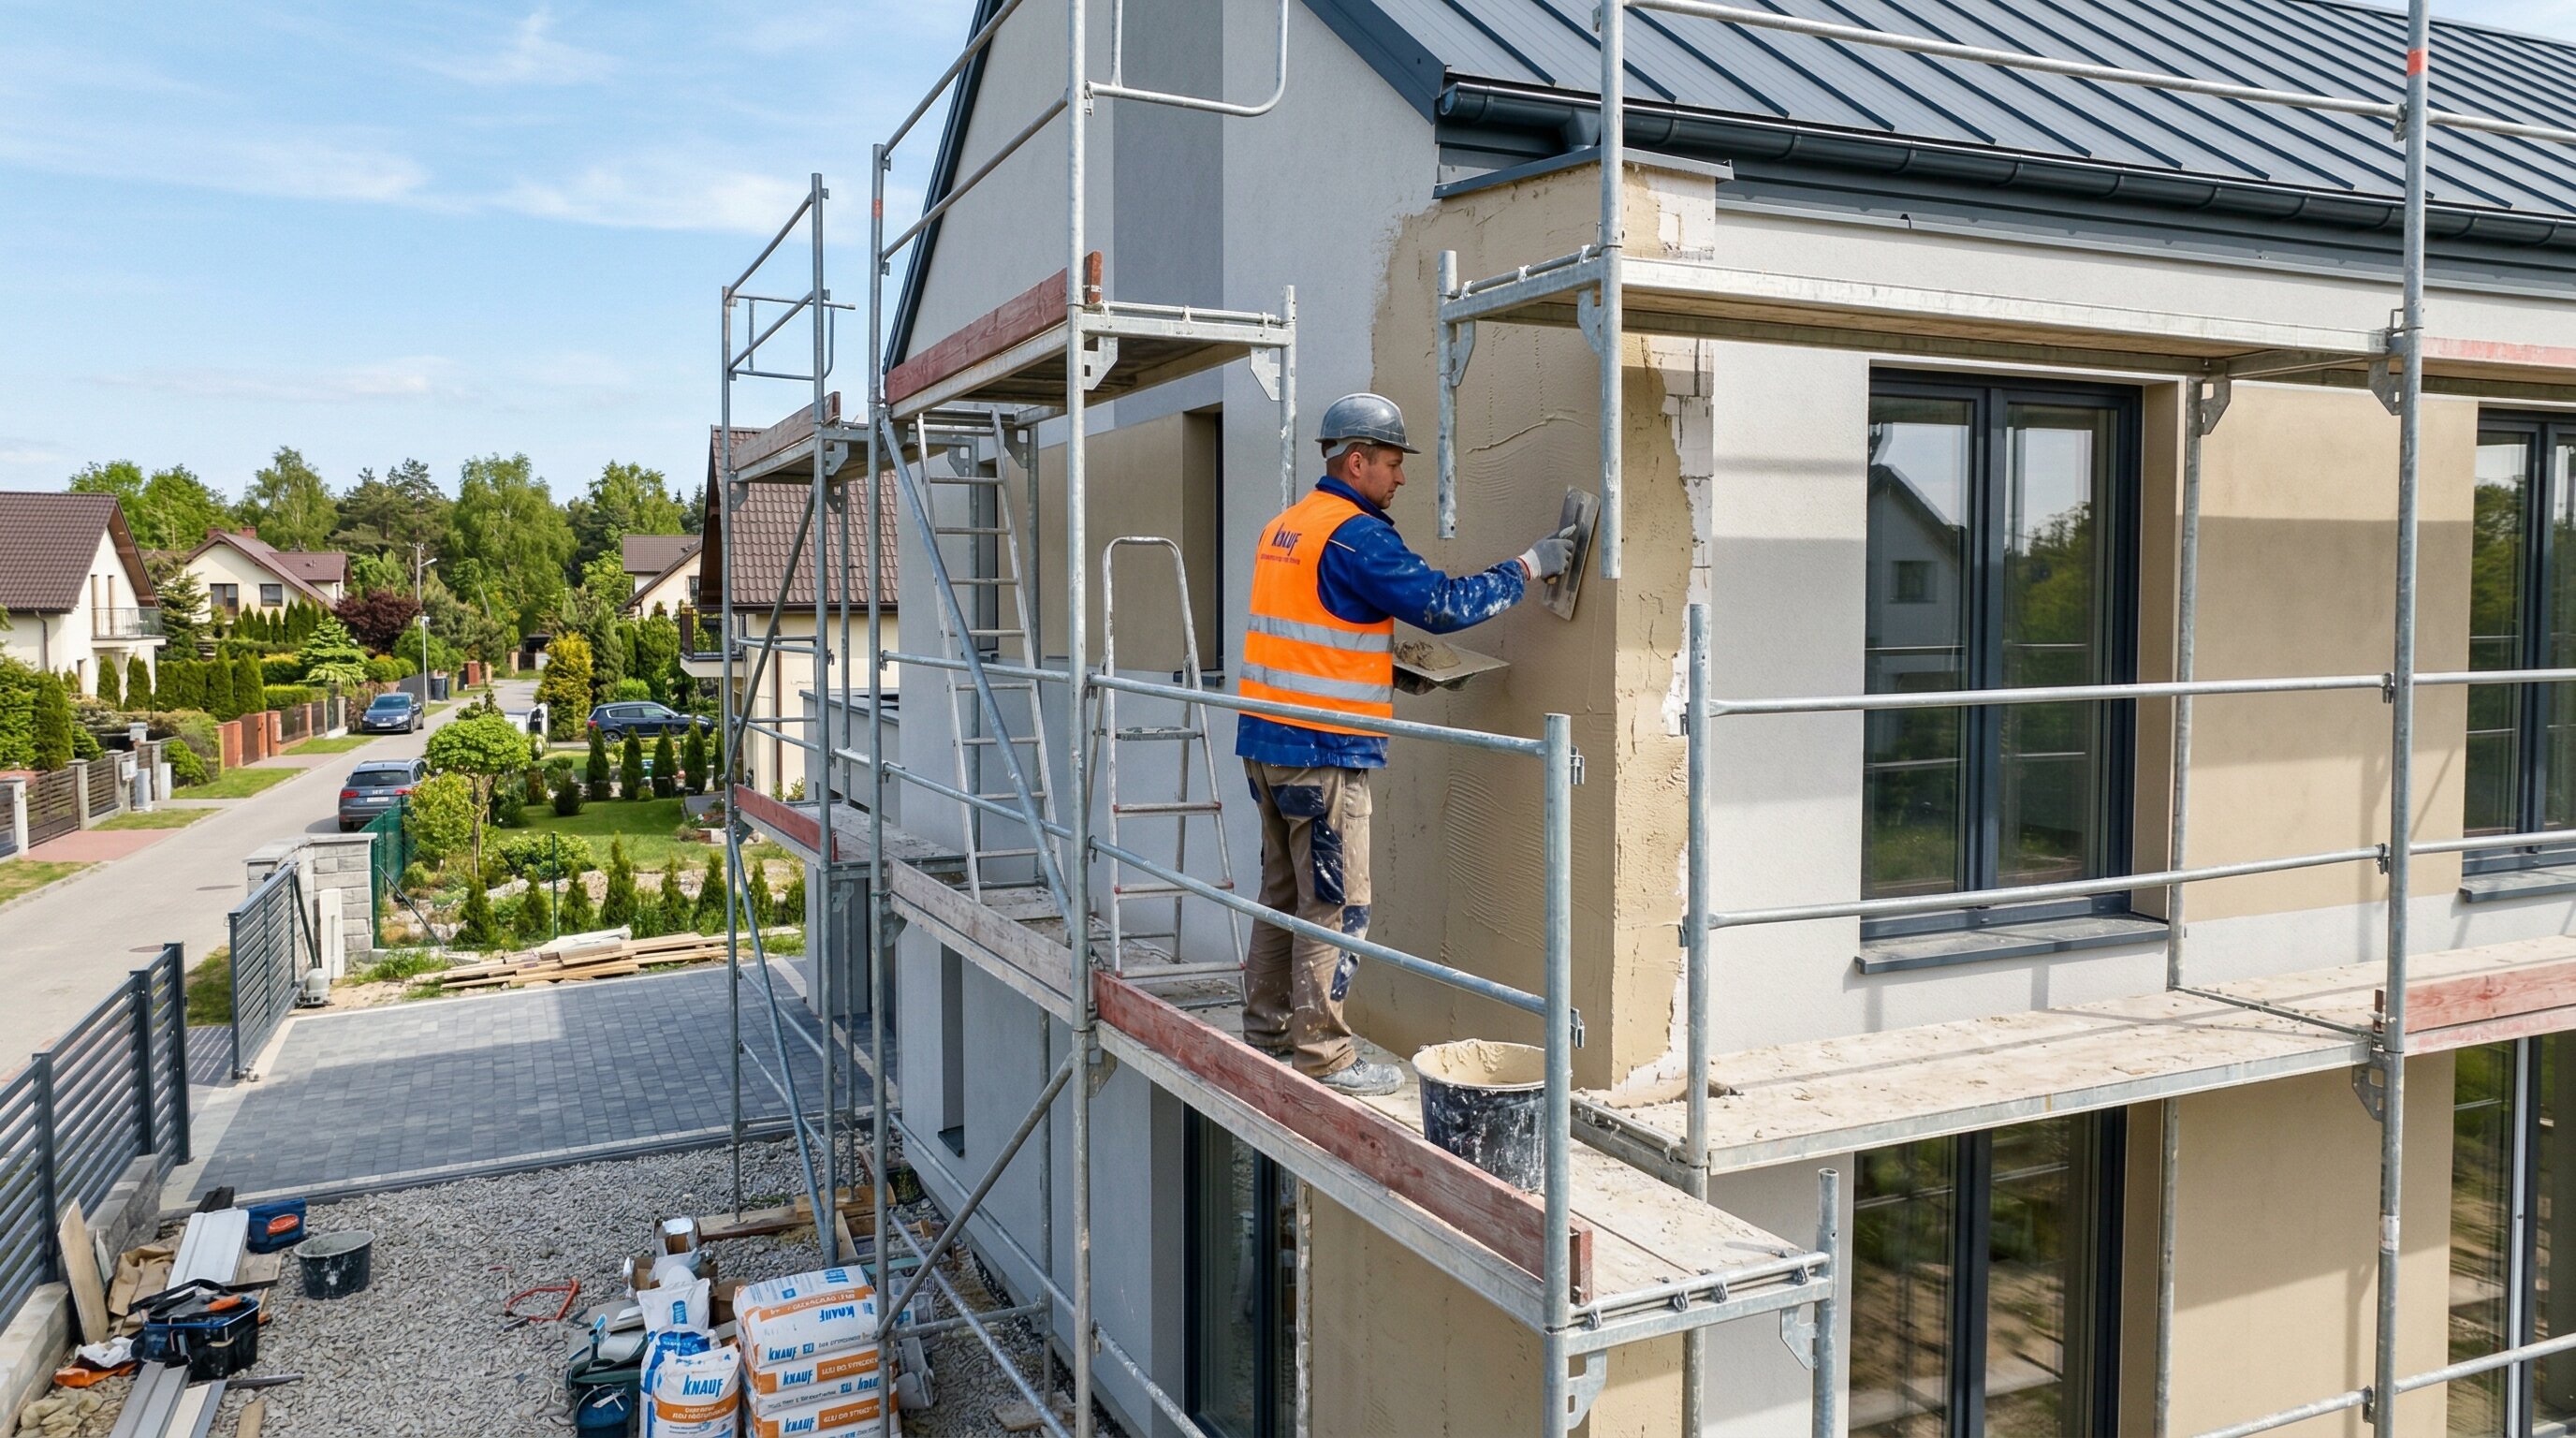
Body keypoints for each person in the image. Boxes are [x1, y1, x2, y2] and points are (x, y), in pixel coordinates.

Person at [1237, 392, 1576, 1095]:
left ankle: (1267, 1029)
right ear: (1355, 461)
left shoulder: (1289, 526)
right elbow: (1444, 605)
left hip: (1267, 741)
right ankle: (1325, 1056)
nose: (1401, 478)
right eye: (1392, 463)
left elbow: (1312, 628)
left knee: (1284, 891)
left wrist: (1389, 670)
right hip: (1323, 750)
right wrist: (1531, 565)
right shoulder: (1357, 535)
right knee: (1338, 902)